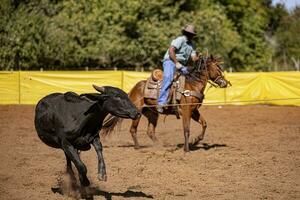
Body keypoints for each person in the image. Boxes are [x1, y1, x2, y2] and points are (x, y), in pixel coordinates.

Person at [157, 24, 199, 113]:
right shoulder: (180, 40)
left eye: (192, 34)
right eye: (189, 33)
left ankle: (181, 101)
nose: (190, 35)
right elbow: (171, 51)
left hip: (182, 65)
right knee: (168, 78)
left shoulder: (192, 45)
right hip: (170, 61)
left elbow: (193, 57)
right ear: (186, 33)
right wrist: (176, 63)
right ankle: (161, 102)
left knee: (191, 79)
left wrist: (198, 57)